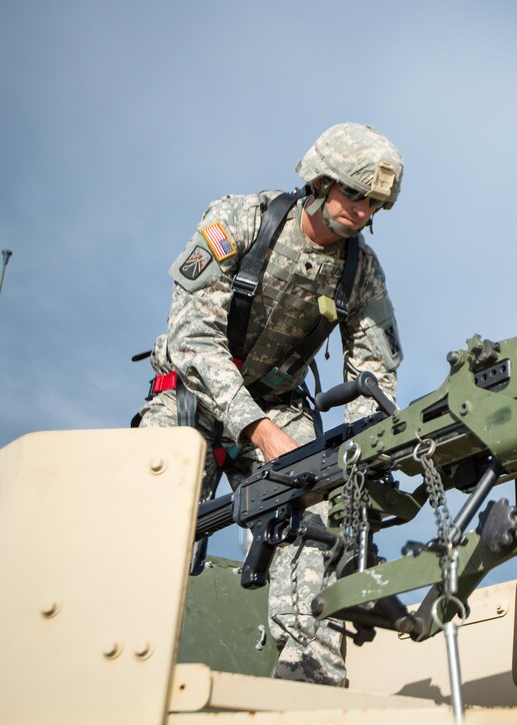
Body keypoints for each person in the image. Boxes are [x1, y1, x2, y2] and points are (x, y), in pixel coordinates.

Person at [136, 122, 404, 685]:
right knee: (148, 514)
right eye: (354, 193)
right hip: (195, 394)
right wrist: (254, 428)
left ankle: (309, 673)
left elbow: (374, 372)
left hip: (280, 403)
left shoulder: (362, 273)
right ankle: (122, 656)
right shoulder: (241, 220)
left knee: (320, 510)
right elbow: (193, 339)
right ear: (322, 181)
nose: (362, 209)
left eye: (374, 201)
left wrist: (363, 454)